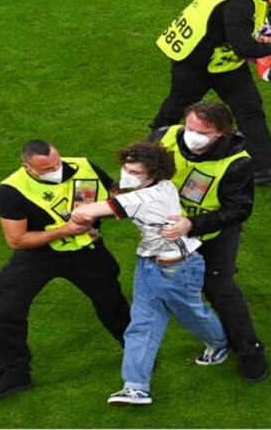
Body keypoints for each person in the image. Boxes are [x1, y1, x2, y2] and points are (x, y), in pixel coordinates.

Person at [71, 142, 229, 406]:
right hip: (149, 263)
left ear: (153, 173)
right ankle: (135, 388)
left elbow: (85, 210)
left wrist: (79, 219)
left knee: (192, 315)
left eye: (135, 170)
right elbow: (118, 204)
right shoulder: (160, 186)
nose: (127, 174)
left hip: (177, 269)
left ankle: (221, 343)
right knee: (141, 324)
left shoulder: (142, 197)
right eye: (126, 167)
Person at [0, 140, 131, 399]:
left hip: (87, 251)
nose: (56, 169)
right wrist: (65, 230)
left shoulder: (84, 166)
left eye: (57, 163)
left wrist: (100, 214)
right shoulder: (11, 190)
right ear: (28, 168)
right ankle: (14, 374)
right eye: (47, 168)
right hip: (37, 256)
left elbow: (117, 199)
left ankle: (136, 353)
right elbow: (16, 239)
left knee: (111, 302)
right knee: (8, 312)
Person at [150, 0, 271, 185]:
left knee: (248, 108)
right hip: (200, 63)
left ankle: (264, 165)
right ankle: (150, 155)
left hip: (212, 58)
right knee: (177, 107)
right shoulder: (240, 1)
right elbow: (243, 46)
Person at [150, 101, 270, 382]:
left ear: (221, 133)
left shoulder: (236, 163)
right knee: (163, 286)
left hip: (214, 237)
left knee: (221, 291)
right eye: (190, 127)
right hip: (169, 232)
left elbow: (239, 210)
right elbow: (144, 171)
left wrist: (192, 224)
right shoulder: (164, 137)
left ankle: (250, 351)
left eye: (202, 132)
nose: (192, 136)